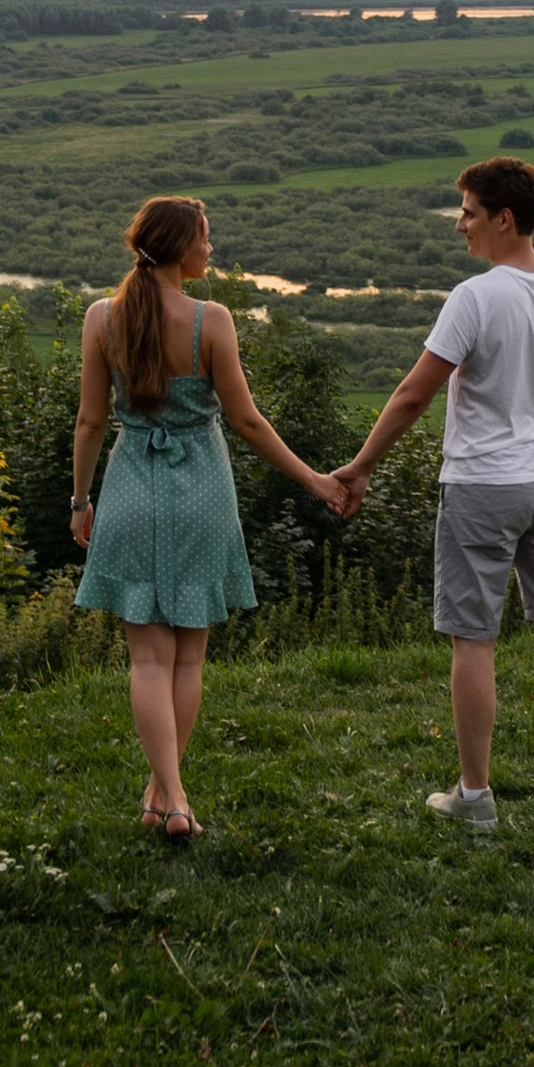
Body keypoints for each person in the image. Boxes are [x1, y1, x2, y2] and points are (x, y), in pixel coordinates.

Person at [330, 155, 534, 832]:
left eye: (468, 212)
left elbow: (413, 395)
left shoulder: (475, 297)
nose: (460, 225)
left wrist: (362, 466)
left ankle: (474, 797)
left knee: (475, 639)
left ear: (503, 218)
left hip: (482, 486)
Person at [70, 193, 344, 842]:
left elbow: (89, 421)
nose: (211, 249)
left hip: (131, 487)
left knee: (146, 660)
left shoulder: (101, 318)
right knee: (187, 661)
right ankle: (174, 797)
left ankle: (162, 792)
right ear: (180, 246)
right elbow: (247, 421)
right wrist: (312, 478)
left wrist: (81, 502)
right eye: (205, 237)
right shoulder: (211, 320)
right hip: (202, 493)